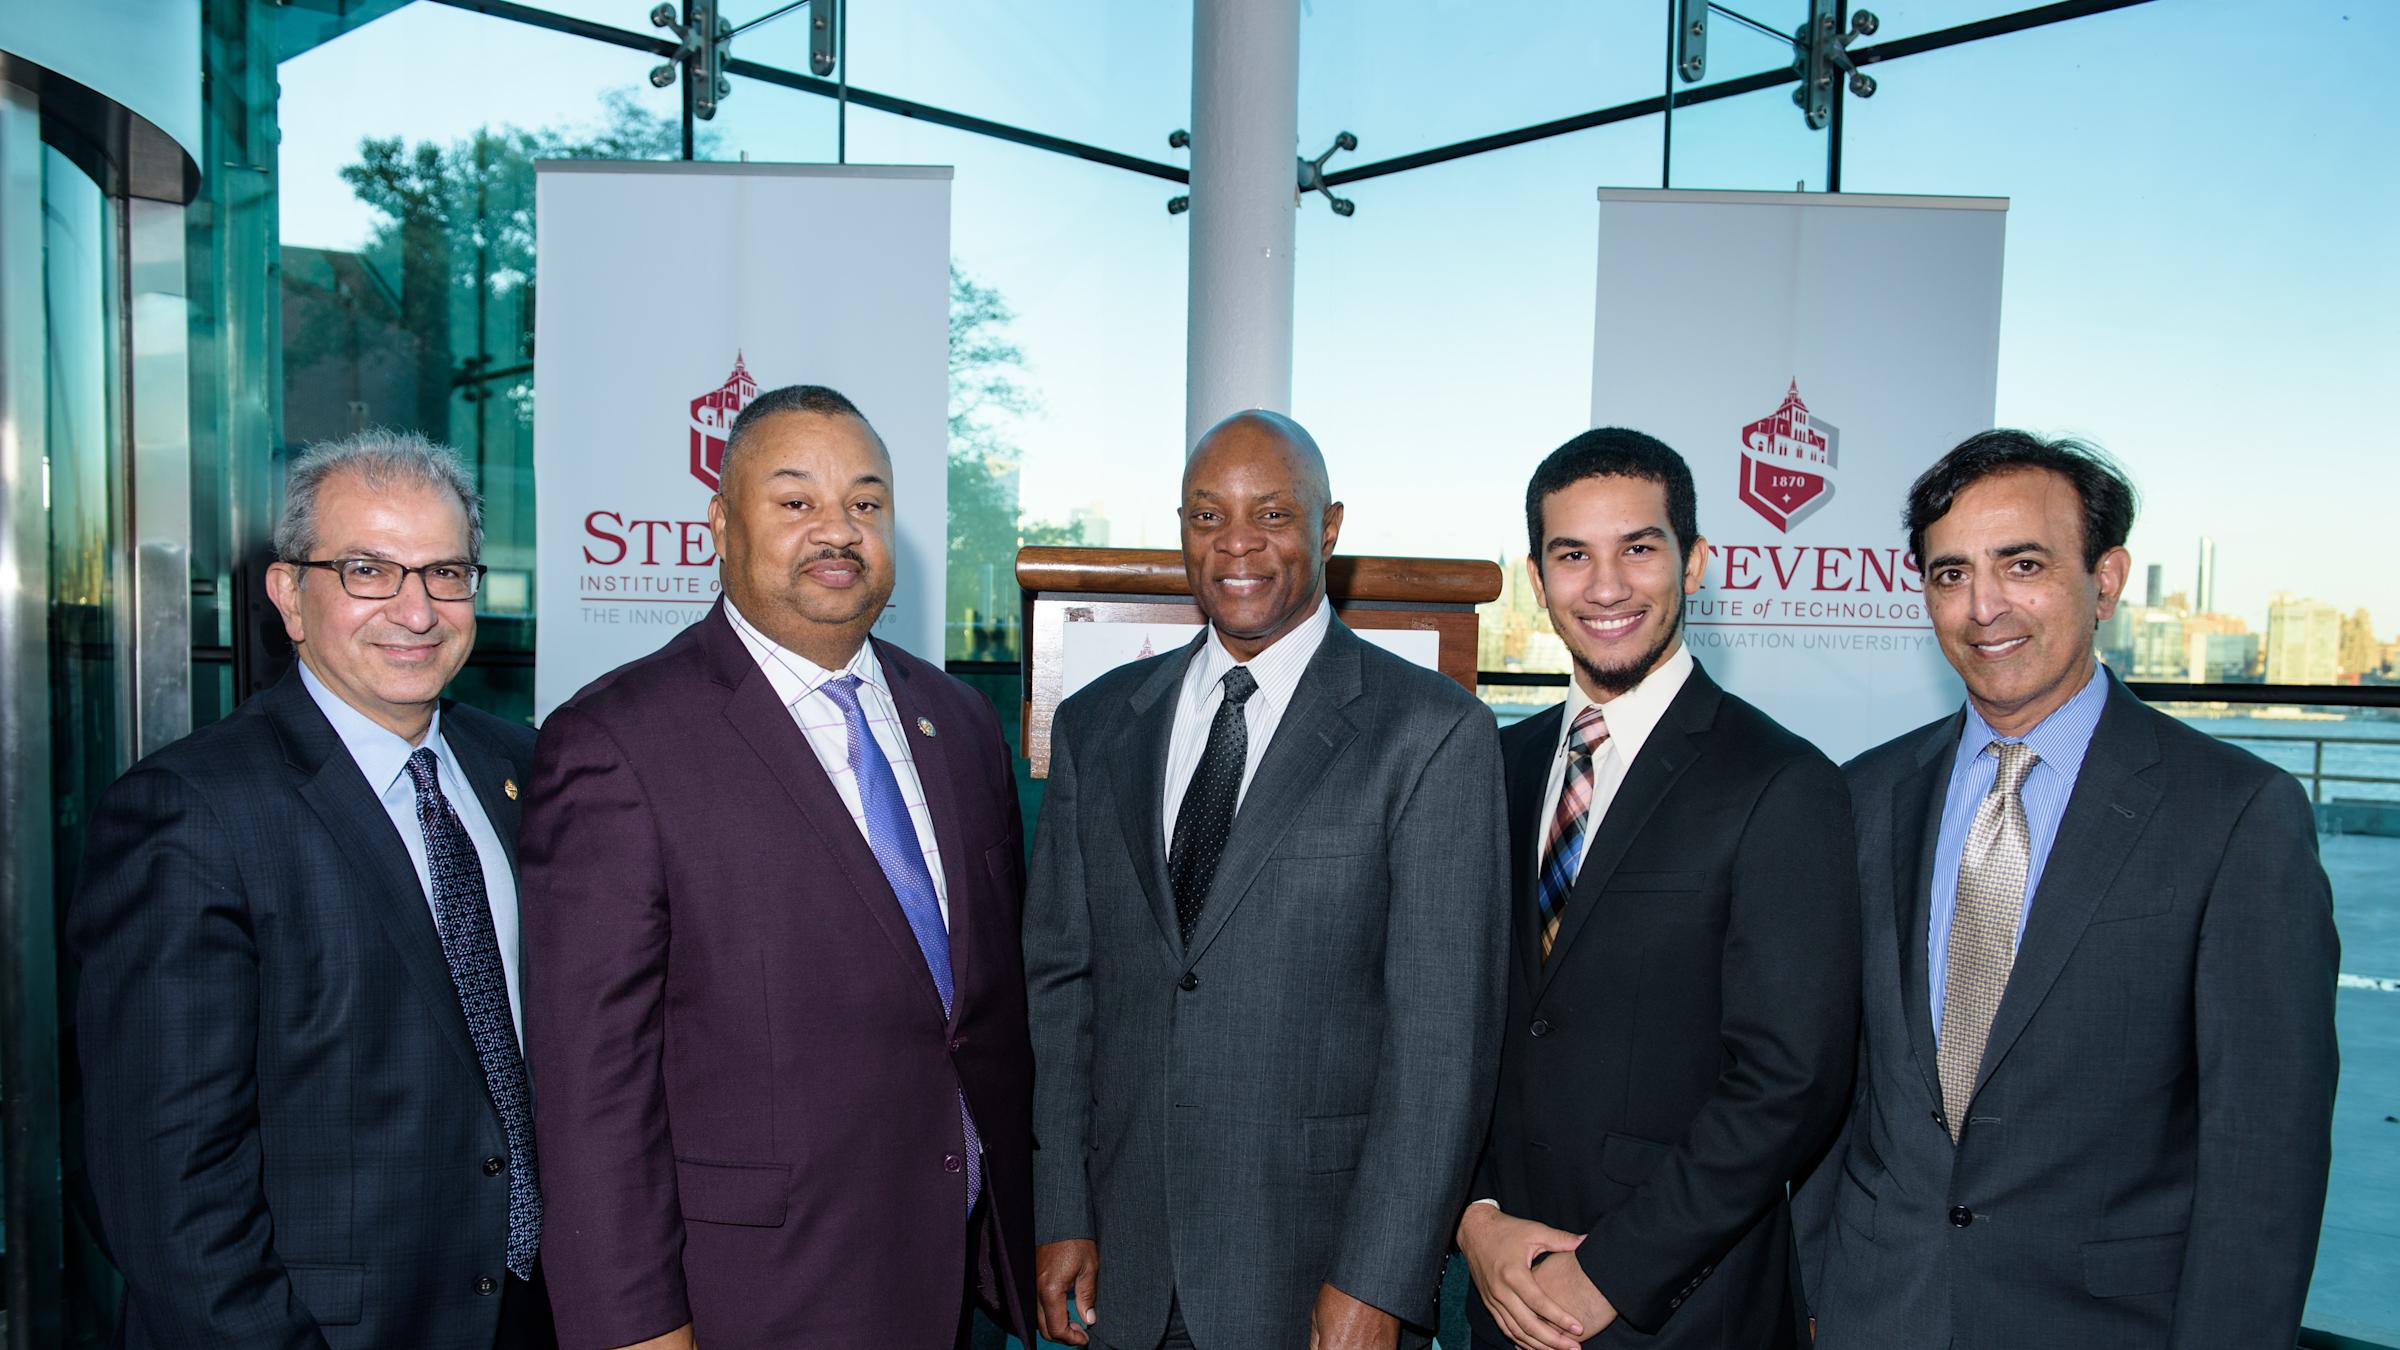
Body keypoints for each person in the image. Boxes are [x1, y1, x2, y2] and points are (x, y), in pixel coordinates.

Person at [1795, 429, 2340, 1347]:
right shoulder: (1862, 797)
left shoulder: (2238, 816)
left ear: (2108, 579)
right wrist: (1811, 1291)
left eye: (2023, 565)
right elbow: (1825, 1092)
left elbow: (2263, 1160)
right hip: (1874, 1315)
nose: (1983, 607)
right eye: (1950, 574)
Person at [519, 385, 1035, 1350]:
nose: (837, 531)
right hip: (750, 1299)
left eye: (866, 504)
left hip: (951, 1276)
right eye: (795, 502)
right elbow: (592, 1092)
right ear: (720, 523)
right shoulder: (617, 744)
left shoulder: (961, 725)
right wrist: (634, 1329)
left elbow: (981, 1010)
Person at [1024, 409, 1510, 1350]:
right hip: (1125, 1269)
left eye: (1273, 515)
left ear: (1328, 529)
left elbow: (1443, 1043)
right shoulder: (1097, 726)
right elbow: (1062, 991)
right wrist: (1062, 1209)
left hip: (1316, 1276)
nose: (1236, 544)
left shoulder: (1431, 734)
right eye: (1207, 517)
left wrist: (1379, 1277)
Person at [70, 432, 550, 1348]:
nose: (416, 610)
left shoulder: (522, 769)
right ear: (290, 594)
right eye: (369, 570)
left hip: (528, 1316)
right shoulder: (188, 813)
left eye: (446, 573)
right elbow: (167, 1188)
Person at [1455, 429, 1859, 1350]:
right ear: (1536, 574)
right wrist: (1475, 1215)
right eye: (1573, 556)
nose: (1605, 586)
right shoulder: (1494, 767)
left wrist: (1612, 1274)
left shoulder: (1780, 783)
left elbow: (1791, 1084)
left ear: (1697, 563)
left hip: (1681, 1309)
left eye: (1638, 548)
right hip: (1504, 1292)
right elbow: (1459, 1024)